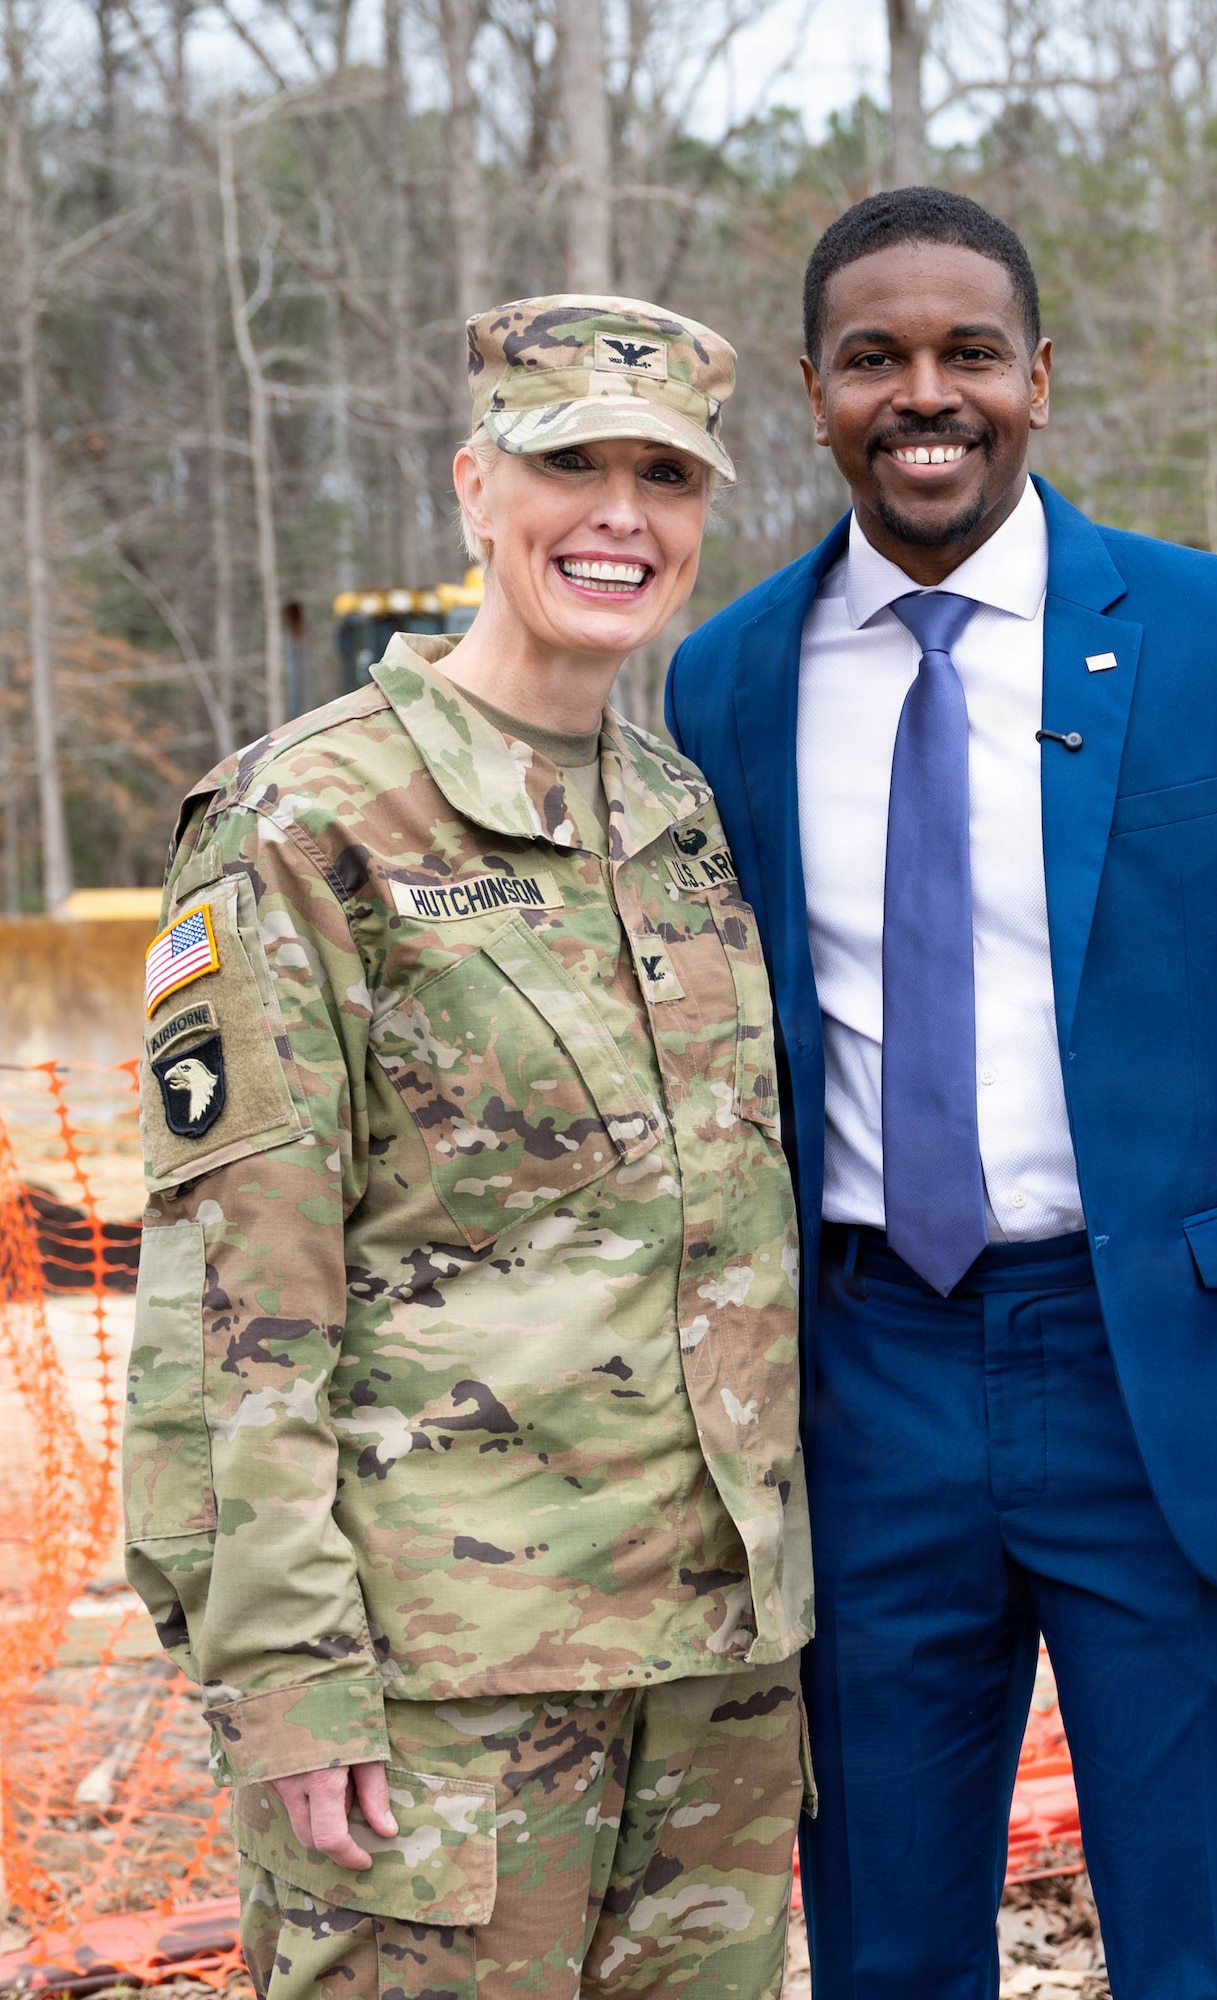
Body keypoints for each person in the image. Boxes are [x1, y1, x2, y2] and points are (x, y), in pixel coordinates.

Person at [664, 189, 1217, 2000]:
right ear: (812, 392)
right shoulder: (727, 683)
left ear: (1040, 377)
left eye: (966, 353)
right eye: (875, 358)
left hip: (1170, 1393)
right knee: (883, 1945)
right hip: (864, 1388)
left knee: (1214, 1951)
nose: (922, 393)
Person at [123, 295, 814, 2000]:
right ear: (470, 489)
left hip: (712, 1675)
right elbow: (233, 1305)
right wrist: (284, 1678)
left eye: (666, 474)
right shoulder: (305, 820)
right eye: (568, 461)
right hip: (439, 1690)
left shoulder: (681, 823)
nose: (620, 515)